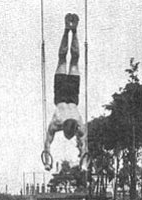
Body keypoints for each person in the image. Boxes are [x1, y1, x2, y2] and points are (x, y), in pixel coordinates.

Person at [43, 13, 88, 171]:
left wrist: (47, 159)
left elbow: (48, 143)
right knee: (67, 59)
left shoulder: (60, 123)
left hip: (68, 94)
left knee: (69, 59)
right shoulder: (61, 124)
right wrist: (83, 162)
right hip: (65, 95)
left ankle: (69, 30)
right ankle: (71, 30)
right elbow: (84, 147)